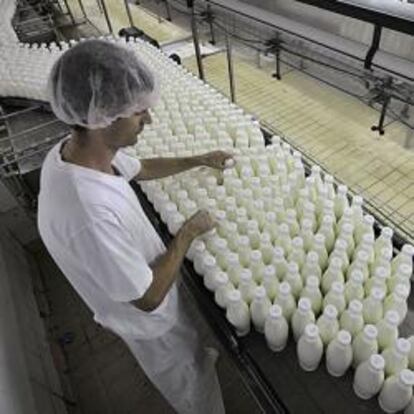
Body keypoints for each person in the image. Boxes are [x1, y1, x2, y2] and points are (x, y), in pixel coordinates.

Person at [38, 39, 234, 413]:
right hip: (150, 325)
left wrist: (199, 159)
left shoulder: (78, 154)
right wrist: (188, 232)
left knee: (193, 347)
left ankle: (199, 360)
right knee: (191, 383)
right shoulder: (86, 212)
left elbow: (140, 168)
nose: (149, 120)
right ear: (105, 117)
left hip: (147, 284)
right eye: (139, 112)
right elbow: (147, 298)